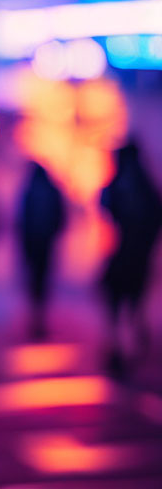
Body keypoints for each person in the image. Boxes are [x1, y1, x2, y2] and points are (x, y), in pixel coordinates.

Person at [99, 140, 162, 377]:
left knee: (117, 300)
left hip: (125, 253)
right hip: (136, 255)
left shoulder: (122, 184)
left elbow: (104, 204)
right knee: (133, 301)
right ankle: (129, 343)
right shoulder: (146, 184)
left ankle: (120, 347)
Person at [17, 162, 65, 340]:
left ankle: (36, 319)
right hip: (46, 244)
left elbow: (21, 220)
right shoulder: (52, 191)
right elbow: (61, 216)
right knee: (43, 282)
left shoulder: (29, 191)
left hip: (33, 244)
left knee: (34, 283)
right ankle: (40, 319)